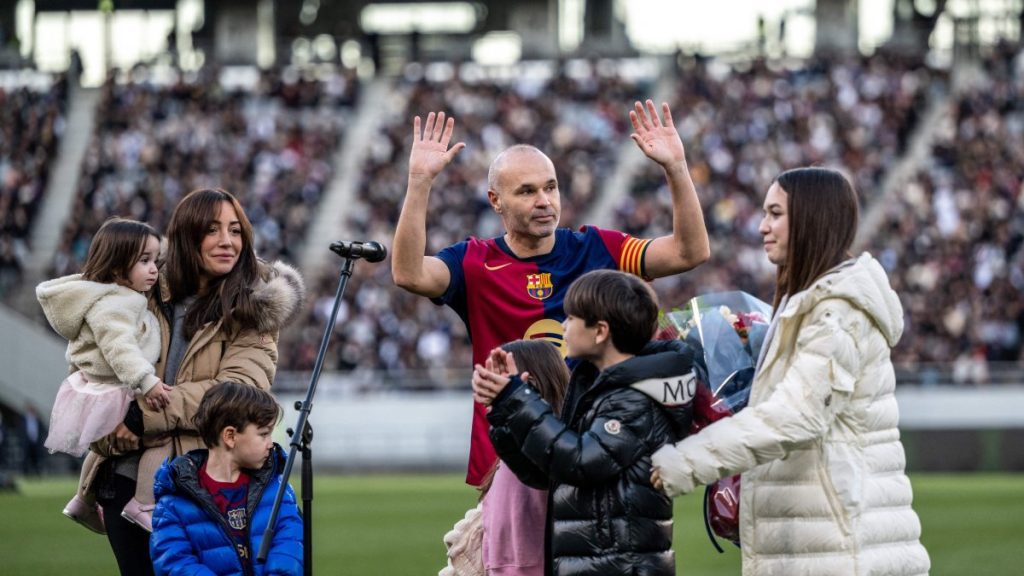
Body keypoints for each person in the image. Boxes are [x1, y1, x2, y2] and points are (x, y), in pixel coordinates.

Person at [392, 101, 709, 485]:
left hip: (593, 448)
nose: (544, 201)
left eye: (551, 187)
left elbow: (689, 252)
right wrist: (420, 182)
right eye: (526, 191)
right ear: (496, 201)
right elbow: (408, 273)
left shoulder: (597, 249)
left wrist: (676, 168)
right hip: (507, 461)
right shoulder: (474, 262)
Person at [650, 167, 931, 575]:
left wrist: (687, 461)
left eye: (776, 213)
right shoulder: (807, 303)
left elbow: (796, 417)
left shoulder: (838, 312)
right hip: (819, 543)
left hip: (841, 550)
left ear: (812, 219)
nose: (762, 226)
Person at [88, 188, 305, 576]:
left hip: (201, 486)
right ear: (186, 237)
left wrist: (140, 419)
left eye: (236, 231)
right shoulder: (142, 290)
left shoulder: (256, 306)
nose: (227, 241)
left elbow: (238, 395)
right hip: (123, 477)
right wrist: (110, 428)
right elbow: (94, 374)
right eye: (212, 230)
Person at [473, 269, 697, 576]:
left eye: (571, 318)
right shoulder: (600, 389)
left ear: (600, 331)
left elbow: (579, 461)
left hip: (619, 567)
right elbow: (548, 475)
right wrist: (504, 409)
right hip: (598, 563)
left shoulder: (633, 399)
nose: (563, 327)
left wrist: (518, 399)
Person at [36, 217, 172, 533]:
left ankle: (83, 499)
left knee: (99, 453)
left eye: (156, 260)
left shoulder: (114, 297)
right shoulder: (114, 304)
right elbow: (119, 347)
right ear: (115, 267)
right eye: (144, 261)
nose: (154, 269)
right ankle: (142, 503)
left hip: (101, 386)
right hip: (116, 387)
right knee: (161, 438)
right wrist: (147, 381)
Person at [441, 339, 570, 576]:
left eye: (497, 380)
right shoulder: (512, 447)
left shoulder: (549, 449)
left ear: (530, 384)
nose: (486, 393)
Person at [150, 381, 303, 576]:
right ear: (230, 436)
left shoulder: (277, 489)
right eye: (264, 434)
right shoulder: (174, 500)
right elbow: (174, 564)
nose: (270, 444)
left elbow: (289, 548)